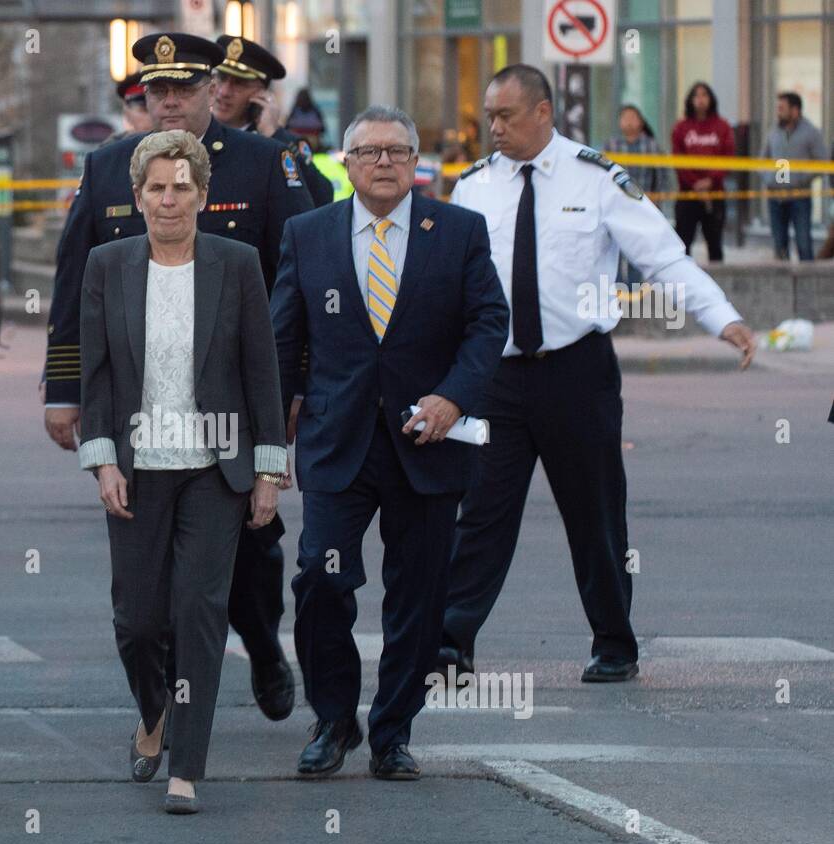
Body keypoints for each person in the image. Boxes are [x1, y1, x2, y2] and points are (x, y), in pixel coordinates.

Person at [439, 65, 756, 684]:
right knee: (481, 512)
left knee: (596, 512)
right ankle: (452, 641)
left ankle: (614, 641)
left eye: (505, 116)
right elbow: (455, 285)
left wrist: (723, 319)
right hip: (496, 377)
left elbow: (663, 255)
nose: (493, 128)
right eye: (489, 115)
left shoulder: (598, 178)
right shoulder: (473, 187)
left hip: (576, 371)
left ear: (543, 113)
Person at [44, 32, 312, 722]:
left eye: (183, 88)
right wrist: (65, 388)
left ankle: (261, 644)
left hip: (239, 397)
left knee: (252, 549)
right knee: (147, 562)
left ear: (209, 90)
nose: (167, 101)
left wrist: (298, 388)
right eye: (154, 90)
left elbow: (302, 278)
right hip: (138, 402)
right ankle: (163, 707)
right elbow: (75, 280)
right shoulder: (108, 167)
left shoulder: (262, 163)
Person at [271, 106, 509, 781]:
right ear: (344, 164)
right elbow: (282, 339)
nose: (384, 162)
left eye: (398, 152)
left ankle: (393, 731)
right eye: (370, 151)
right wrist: (269, 437)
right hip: (337, 443)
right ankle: (332, 719)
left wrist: (452, 397)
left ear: (416, 164)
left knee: (419, 597)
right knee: (321, 577)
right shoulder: (307, 233)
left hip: (426, 442)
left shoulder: (457, 231)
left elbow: (489, 321)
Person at [78, 130, 286, 812]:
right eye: (157, 189)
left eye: (183, 187)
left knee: (199, 611)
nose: (170, 200)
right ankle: (155, 714)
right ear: (137, 198)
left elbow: (262, 370)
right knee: (137, 620)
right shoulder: (107, 265)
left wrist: (268, 469)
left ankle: (186, 767)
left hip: (213, 467)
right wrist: (103, 459)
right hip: (137, 466)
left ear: (203, 194)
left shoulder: (238, 262)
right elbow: (98, 377)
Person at [210, 36, 334, 208]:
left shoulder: (284, 143)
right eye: (221, 78)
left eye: (239, 83)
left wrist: (273, 133)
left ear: (261, 95)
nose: (224, 92)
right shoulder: (195, 133)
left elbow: (322, 197)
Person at [604, 104, 666, 288]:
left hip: (642, 205)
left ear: (641, 121)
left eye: (633, 117)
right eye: (625, 117)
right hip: (616, 206)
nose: (629, 121)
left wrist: (658, 198)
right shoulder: (612, 145)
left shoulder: (651, 145)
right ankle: (616, 292)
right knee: (615, 251)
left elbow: (662, 174)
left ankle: (633, 291)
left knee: (636, 250)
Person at [671, 81, 734, 262]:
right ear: (690, 100)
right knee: (682, 244)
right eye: (696, 95)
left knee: (715, 243)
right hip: (688, 193)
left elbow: (728, 158)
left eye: (704, 95)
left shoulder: (722, 126)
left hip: (714, 193)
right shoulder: (681, 127)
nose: (700, 100)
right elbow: (678, 159)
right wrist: (695, 184)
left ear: (711, 99)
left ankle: (716, 287)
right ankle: (683, 285)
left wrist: (710, 182)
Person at [761, 92, 827, 262]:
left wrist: (800, 179)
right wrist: (770, 179)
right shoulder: (773, 132)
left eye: (782, 108)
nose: (778, 112)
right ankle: (782, 286)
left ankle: (808, 284)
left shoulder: (811, 132)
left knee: (804, 242)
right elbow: (762, 160)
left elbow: (822, 161)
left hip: (800, 197)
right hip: (776, 197)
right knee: (779, 245)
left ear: (795, 110)